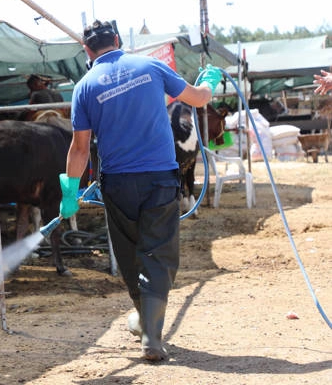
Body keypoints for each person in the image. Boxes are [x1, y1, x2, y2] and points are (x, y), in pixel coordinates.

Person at [59, 19, 221, 362]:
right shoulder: (151, 66)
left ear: (87, 51)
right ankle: (152, 335)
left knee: (131, 255)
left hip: (117, 184)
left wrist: (70, 192)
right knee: (158, 254)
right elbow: (199, 99)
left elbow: (79, 148)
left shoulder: (85, 86)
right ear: (117, 40)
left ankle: (147, 325)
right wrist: (209, 82)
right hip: (160, 179)